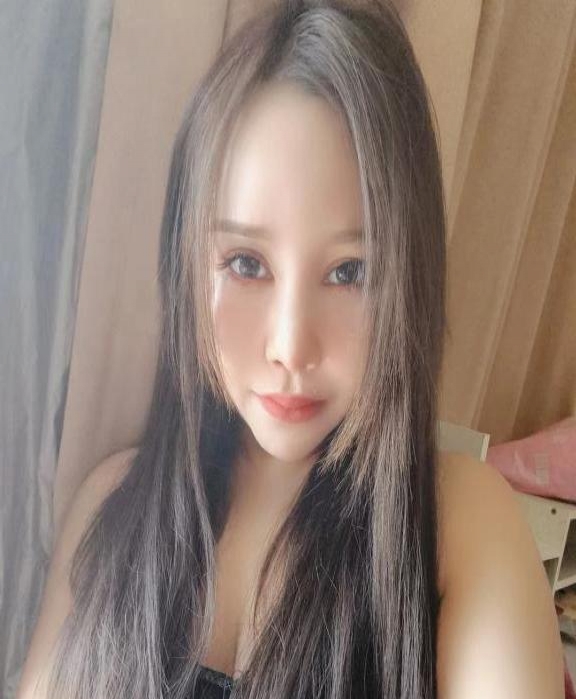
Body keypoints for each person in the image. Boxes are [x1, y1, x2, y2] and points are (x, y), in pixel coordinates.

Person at [16, 1, 565, 698]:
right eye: (246, 263)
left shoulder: (460, 525)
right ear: (186, 265)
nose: (290, 345)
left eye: (350, 272)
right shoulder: (111, 506)